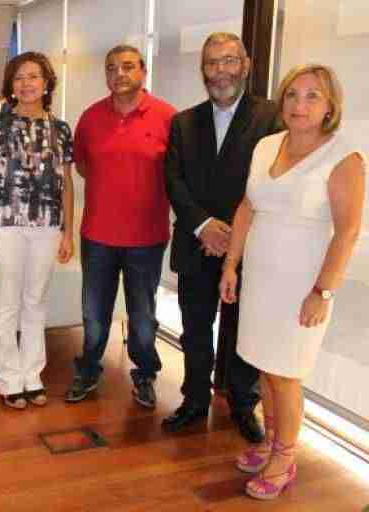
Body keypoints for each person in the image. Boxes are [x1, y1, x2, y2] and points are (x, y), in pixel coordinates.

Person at [220, 64, 365, 500]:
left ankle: (285, 459)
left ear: (330, 106)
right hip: (261, 279)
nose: (299, 105)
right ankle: (270, 440)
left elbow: (348, 232)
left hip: (303, 287)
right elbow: (247, 207)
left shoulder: (344, 157)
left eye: (312, 96)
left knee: (286, 375)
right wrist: (231, 264)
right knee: (266, 367)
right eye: (292, 95)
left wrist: (323, 291)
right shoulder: (267, 145)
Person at [163, 32, 278, 443]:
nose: (220, 71)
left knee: (245, 330)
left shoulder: (273, 118)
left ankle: (243, 405)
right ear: (203, 71)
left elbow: (272, 182)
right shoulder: (182, 122)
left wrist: (232, 234)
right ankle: (194, 400)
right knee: (195, 329)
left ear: (245, 66)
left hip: (249, 248)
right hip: (196, 243)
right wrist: (203, 225)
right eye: (212, 63)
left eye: (229, 61)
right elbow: (174, 180)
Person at [64, 45, 176, 408]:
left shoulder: (168, 117)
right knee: (94, 315)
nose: (119, 74)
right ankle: (88, 370)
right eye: (111, 68)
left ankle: (145, 375)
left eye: (127, 66)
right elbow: (83, 165)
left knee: (142, 318)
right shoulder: (91, 117)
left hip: (147, 237)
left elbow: (177, 173)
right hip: (98, 235)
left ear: (143, 70)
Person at [0, 52, 75, 409]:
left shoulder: (60, 129)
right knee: (8, 300)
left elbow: (67, 183)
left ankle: (32, 375)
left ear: (46, 83)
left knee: (35, 301)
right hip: (6, 223)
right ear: (11, 85)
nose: (26, 83)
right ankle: (7, 378)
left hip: (47, 225)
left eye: (33, 76)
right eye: (19, 77)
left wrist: (68, 232)